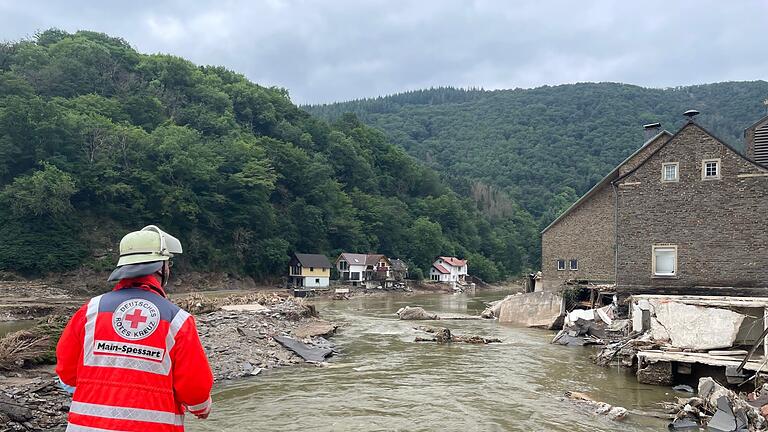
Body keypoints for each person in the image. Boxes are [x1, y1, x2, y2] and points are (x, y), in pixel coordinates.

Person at [56, 225, 214, 431]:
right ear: (161, 267)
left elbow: (67, 372)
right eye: (169, 263)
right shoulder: (177, 320)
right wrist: (201, 408)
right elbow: (195, 388)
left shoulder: (90, 310)